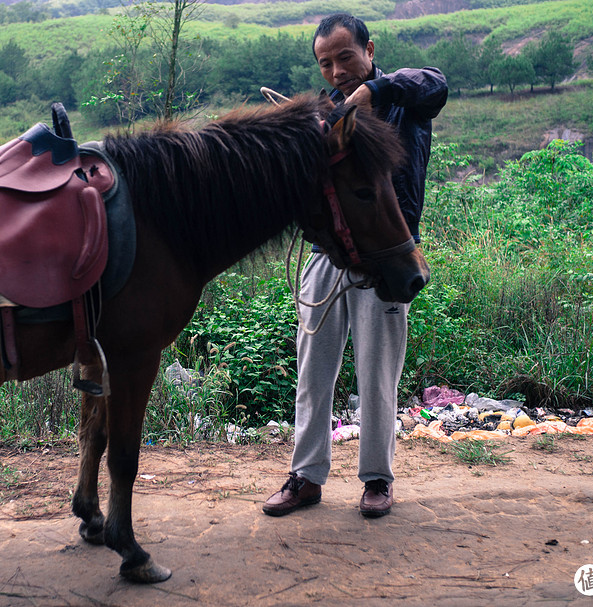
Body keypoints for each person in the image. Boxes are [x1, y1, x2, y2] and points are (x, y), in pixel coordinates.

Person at [263, 13, 448, 518]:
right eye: (326, 63)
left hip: (384, 257)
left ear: (369, 49)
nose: (338, 71)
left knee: (377, 373)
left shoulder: (406, 101)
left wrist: (378, 90)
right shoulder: (328, 114)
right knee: (312, 371)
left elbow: (436, 82)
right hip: (327, 258)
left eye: (346, 57)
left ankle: (377, 480)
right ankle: (305, 477)